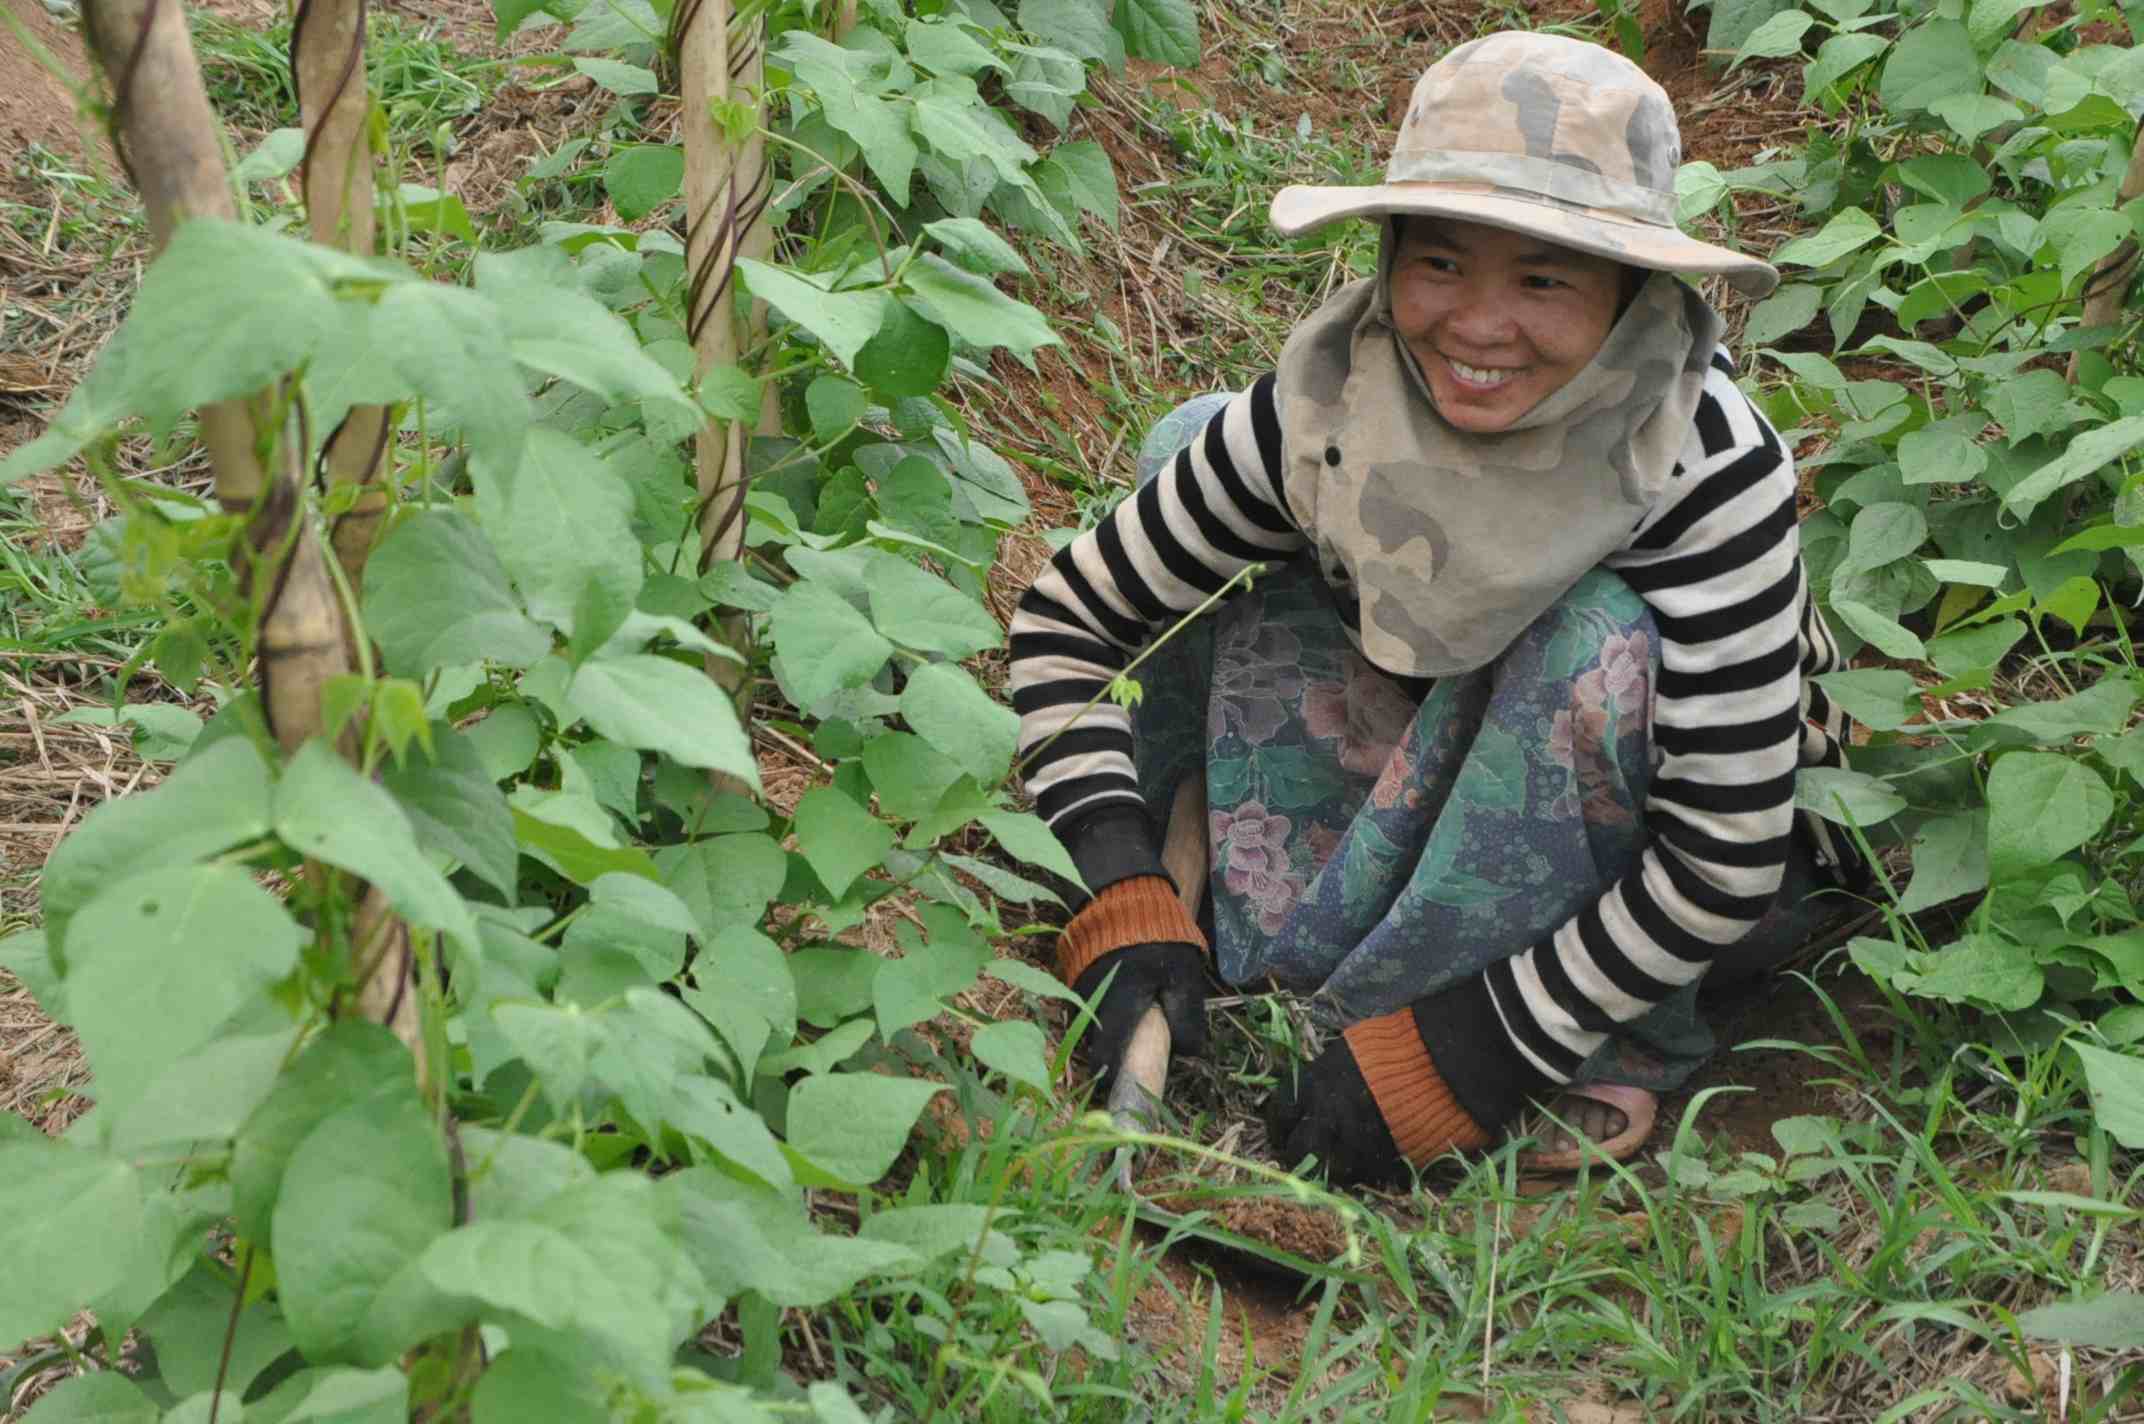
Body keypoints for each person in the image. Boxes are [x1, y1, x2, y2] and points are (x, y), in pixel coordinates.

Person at [1007, 31, 1868, 1185]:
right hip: (1425, 744)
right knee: (1187, 444)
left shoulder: (1702, 465)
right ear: (1386, 258)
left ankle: (1584, 1034)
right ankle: (1241, 923)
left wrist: (1479, 1046)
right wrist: (1120, 876)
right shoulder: (1316, 414)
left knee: (1590, 643)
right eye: (1441, 263)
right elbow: (1069, 624)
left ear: (1631, 293)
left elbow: (1723, 852)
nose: (1477, 325)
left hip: (1650, 866)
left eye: (1544, 278)